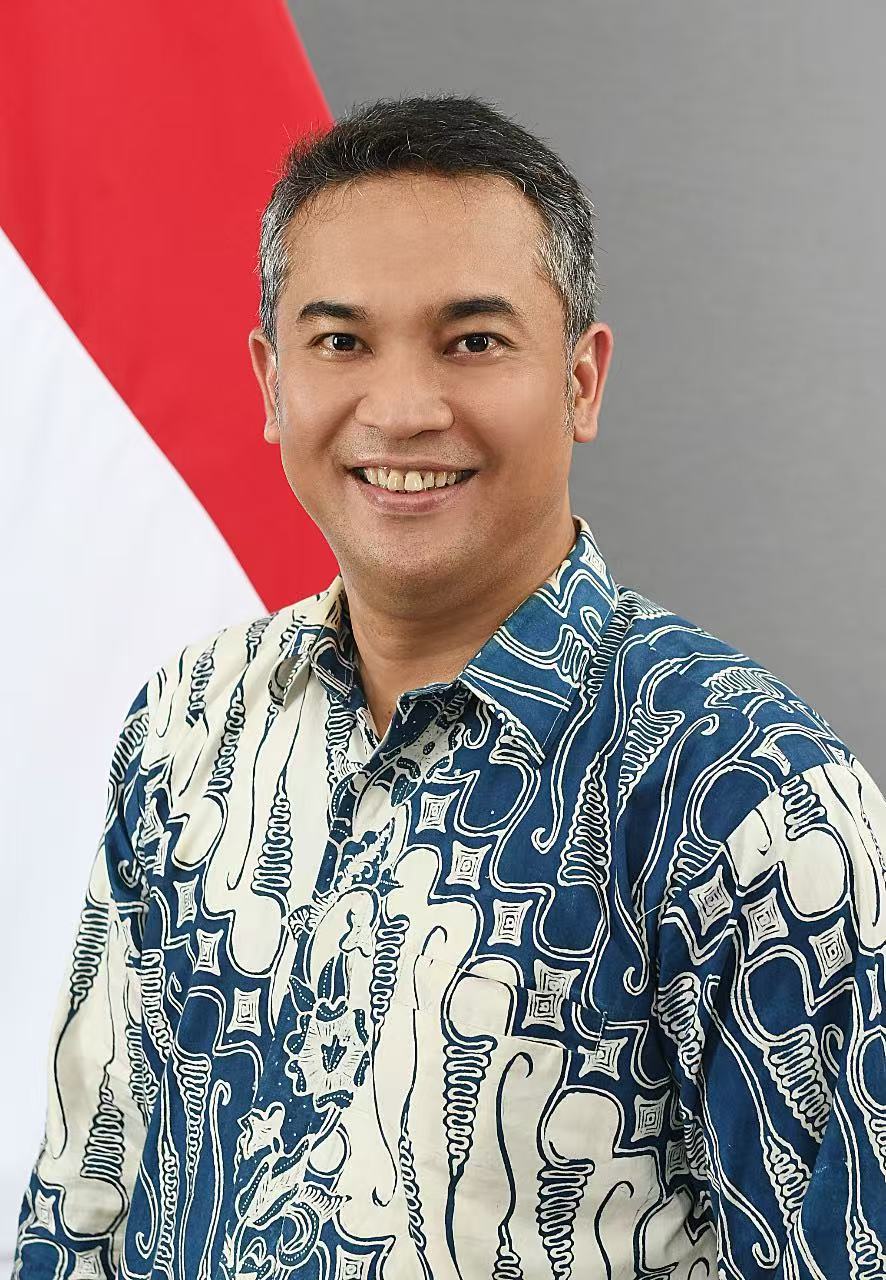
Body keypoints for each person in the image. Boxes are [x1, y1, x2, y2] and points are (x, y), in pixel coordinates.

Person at [14, 91, 886, 1280]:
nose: (402, 409)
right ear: (271, 383)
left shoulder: (745, 794)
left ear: (581, 379)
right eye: (341, 342)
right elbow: (80, 1204)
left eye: (472, 341)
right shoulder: (189, 722)